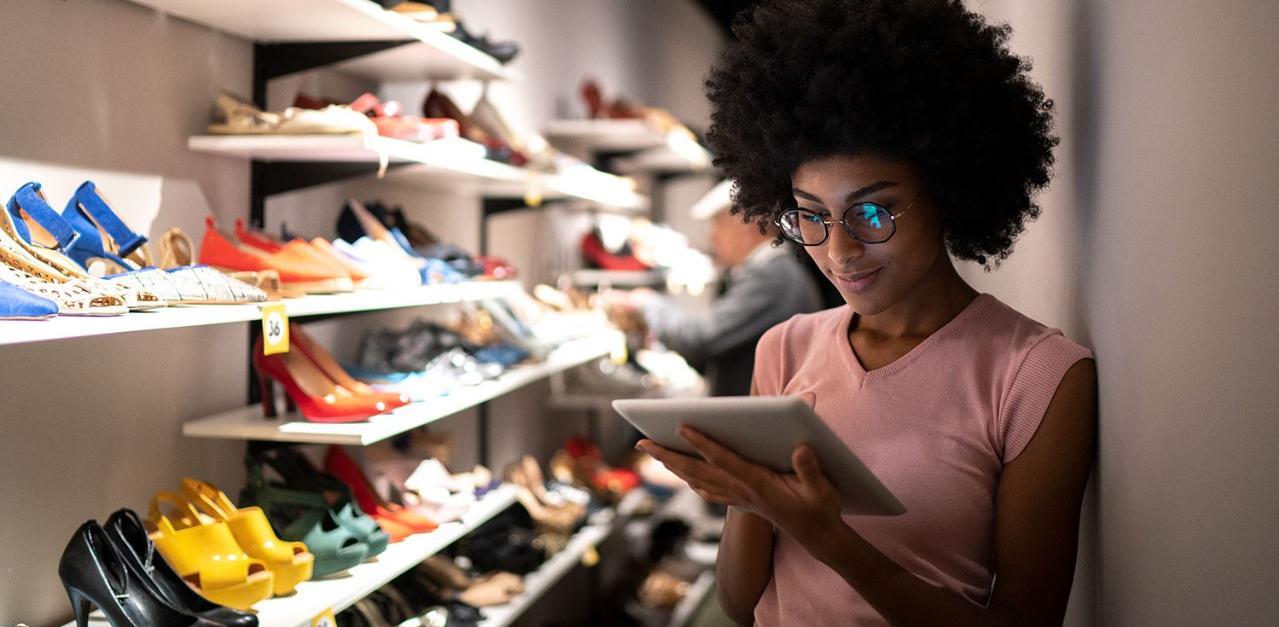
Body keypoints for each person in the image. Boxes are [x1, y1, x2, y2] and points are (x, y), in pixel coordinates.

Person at [636, 1, 1099, 625]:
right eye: (810, 216)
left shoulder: (1037, 376)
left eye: (873, 213)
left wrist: (828, 537)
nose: (839, 250)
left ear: (948, 192)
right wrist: (752, 498)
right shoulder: (786, 347)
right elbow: (741, 603)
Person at [613, 179, 823, 396]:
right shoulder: (774, 273)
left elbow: (699, 338)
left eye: (718, 223)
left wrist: (647, 303)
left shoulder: (774, 277)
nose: (711, 236)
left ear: (750, 222)